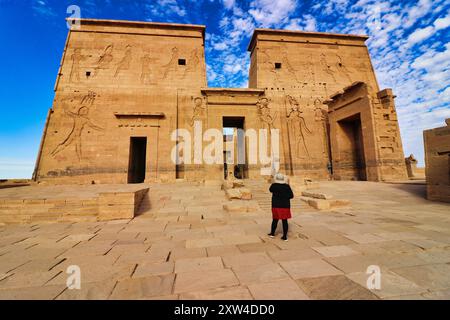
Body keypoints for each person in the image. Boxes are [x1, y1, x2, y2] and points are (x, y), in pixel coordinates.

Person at [268, 173, 294, 241]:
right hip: (285, 206)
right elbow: (291, 196)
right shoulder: (287, 186)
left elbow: (270, 190)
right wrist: (284, 196)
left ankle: (272, 234)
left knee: (275, 220)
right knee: (284, 221)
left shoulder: (274, 185)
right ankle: (285, 237)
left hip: (276, 205)